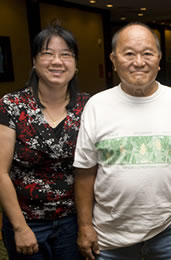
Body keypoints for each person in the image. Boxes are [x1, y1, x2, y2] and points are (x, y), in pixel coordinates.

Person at [73, 22, 171, 260]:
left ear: (159, 59)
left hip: (169, 232)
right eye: (129, 53)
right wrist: (85, 226)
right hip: (110, 237)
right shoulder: (97, 106)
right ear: (113, 59)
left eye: (148, 54)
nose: (139, 62)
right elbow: (84, 172)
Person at [0, 25, 89, 259]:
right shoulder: (12, 105)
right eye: (47, 53)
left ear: (75, 63)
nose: (56, 61)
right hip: (27, 222)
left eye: (65, 54)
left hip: (74, 223)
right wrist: (20, 227)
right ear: (34, 61)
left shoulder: (90, 107)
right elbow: (0, 172)